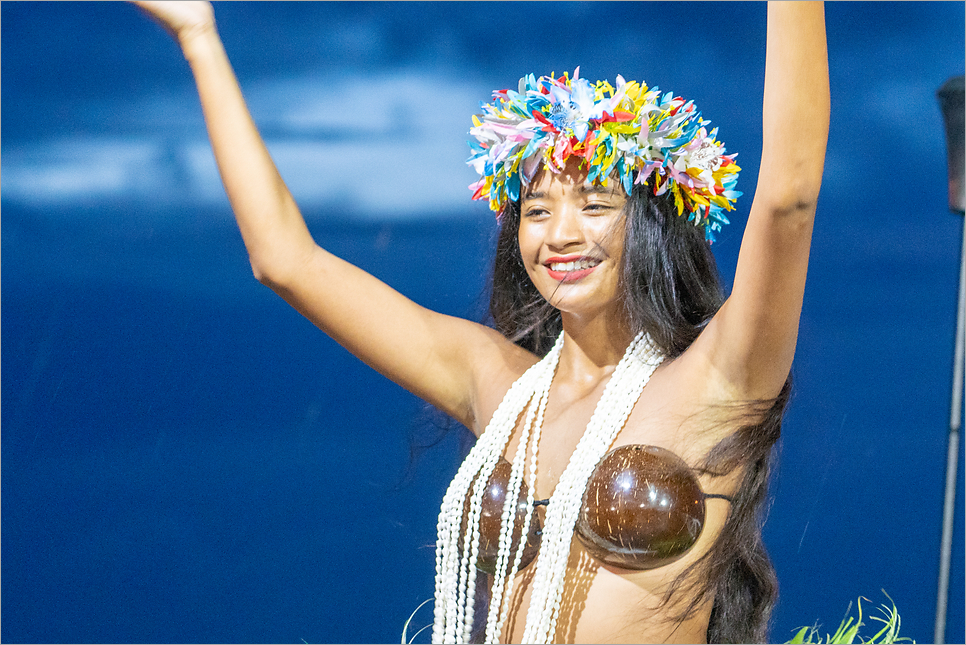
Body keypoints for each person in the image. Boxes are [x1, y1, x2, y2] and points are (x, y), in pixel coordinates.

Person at [131, 1, 829, 643]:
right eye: (536, 210)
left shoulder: (717, 380)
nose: (559, 233)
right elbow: (285, 260)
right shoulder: (499, 383)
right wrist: (200, 37)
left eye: (593, 204)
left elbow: (788, 199)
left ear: (649, 224)